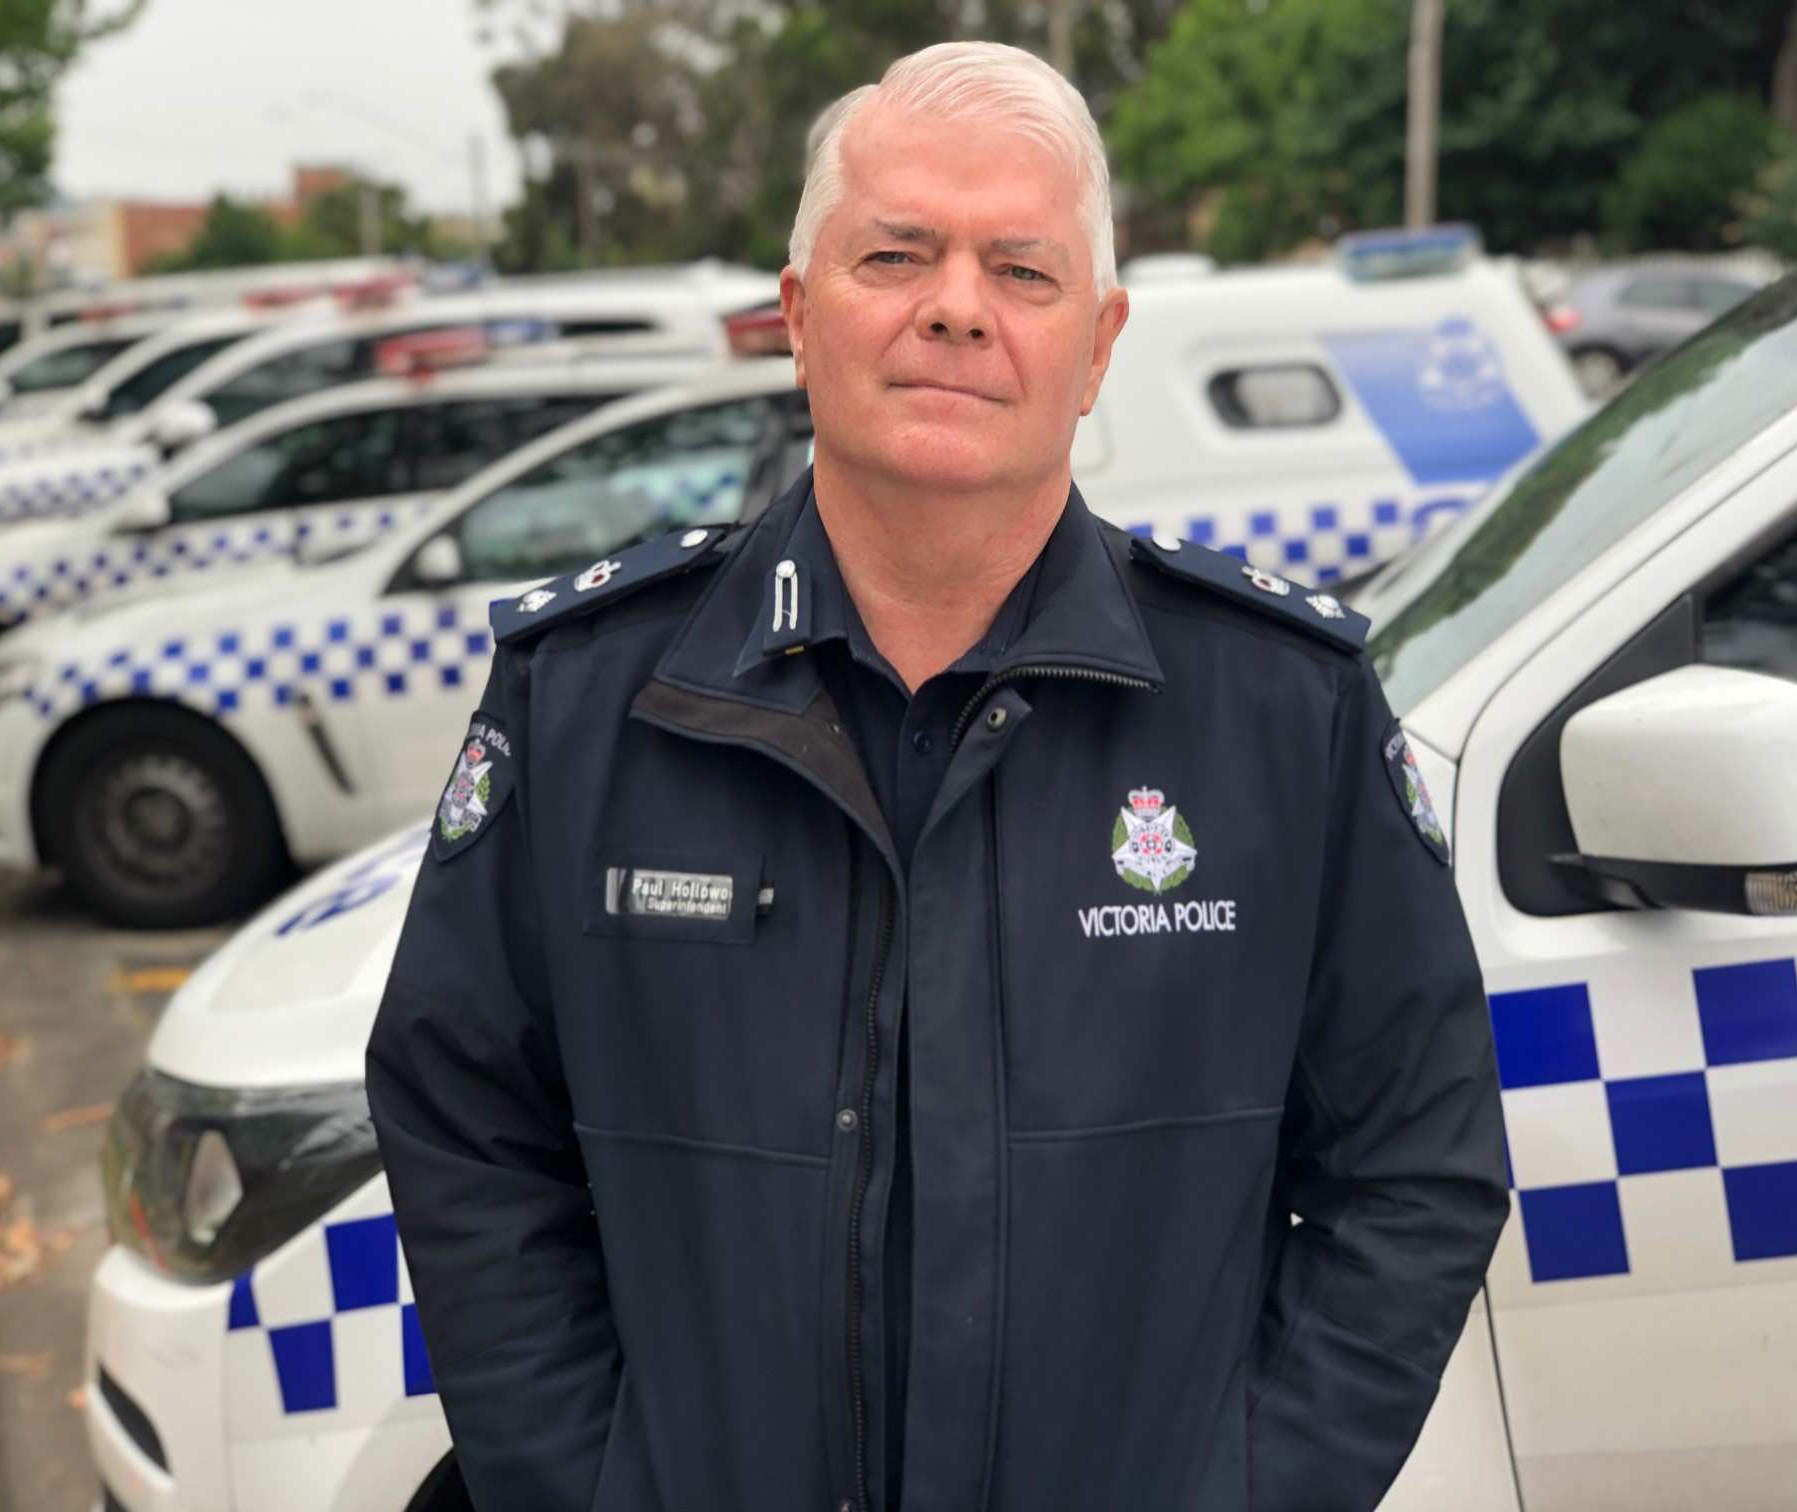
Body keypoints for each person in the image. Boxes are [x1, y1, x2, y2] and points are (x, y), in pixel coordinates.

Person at [366, 40, 1508, 1512]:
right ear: (797, 315)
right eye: (894, 254)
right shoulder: (591, 697)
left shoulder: (1284, 713)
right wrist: (593, 1481)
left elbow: (1419, 1164)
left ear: (1098, 347)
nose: (955, 307)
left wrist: (1250, 1490)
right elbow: (466, 1130)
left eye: (1020, 273)